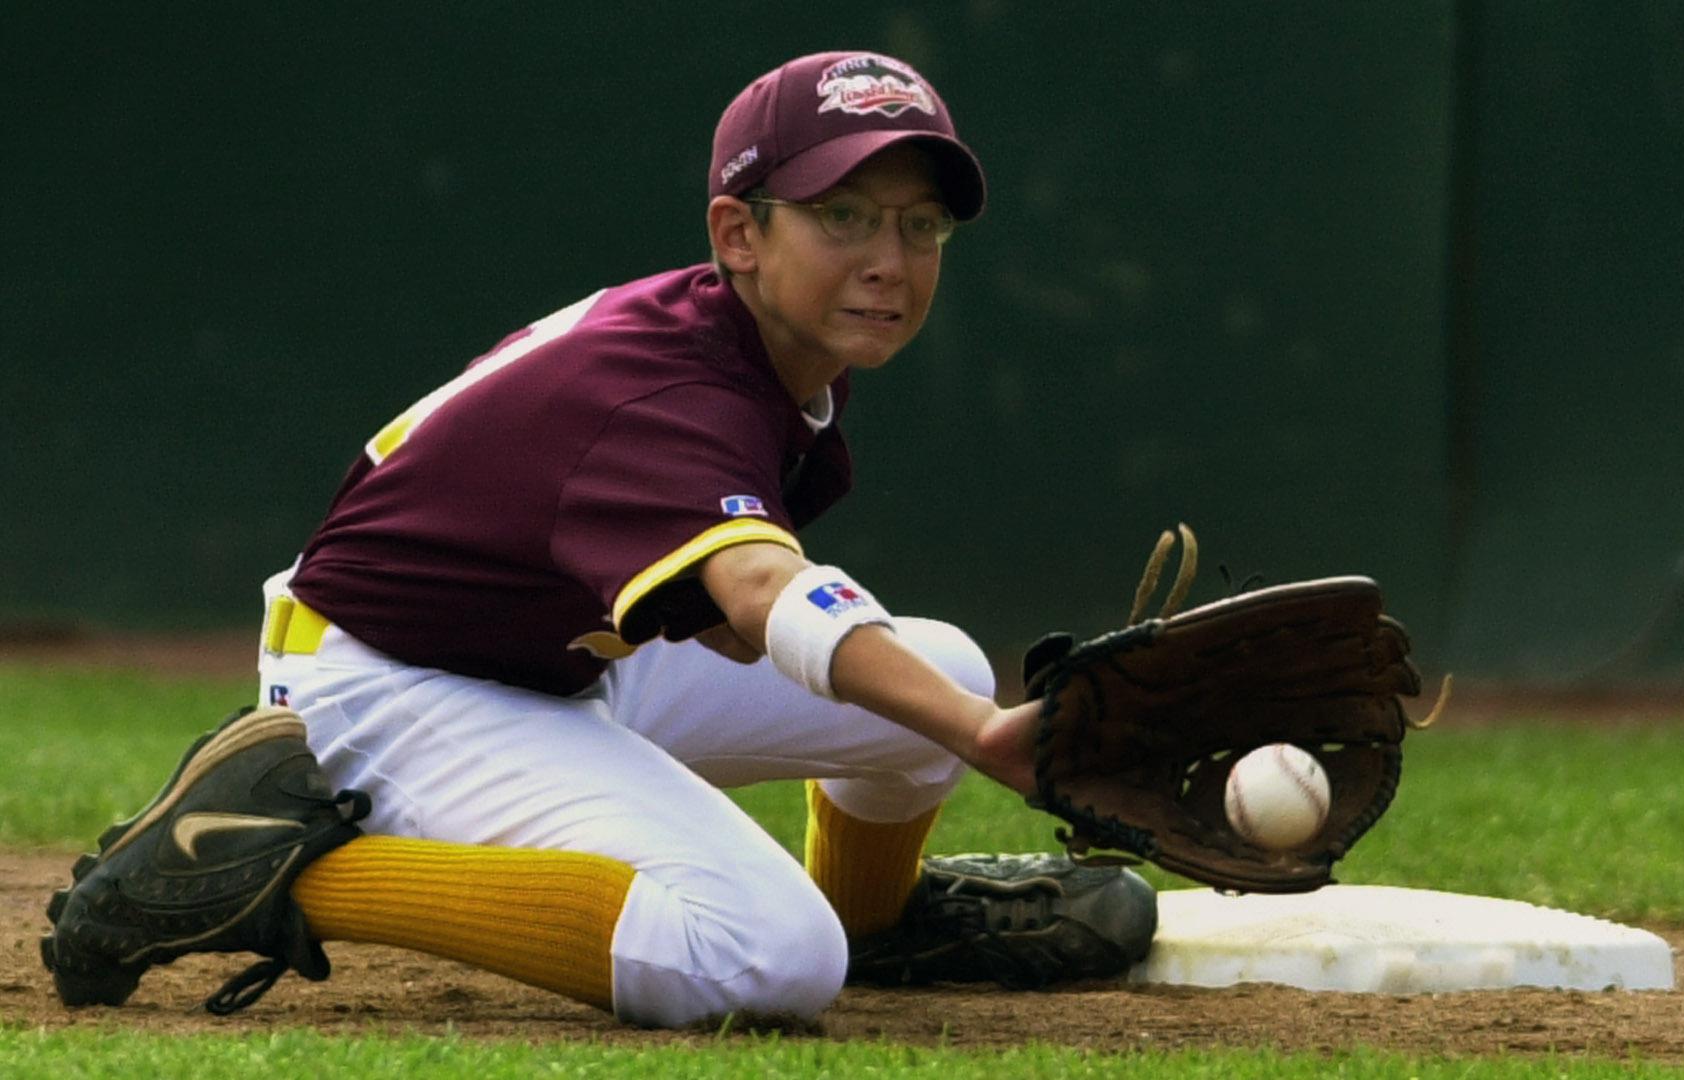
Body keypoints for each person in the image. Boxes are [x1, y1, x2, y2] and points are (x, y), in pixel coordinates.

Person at [41, 50, 1155, 1027]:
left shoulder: (768, 349)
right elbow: (767, 590)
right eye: (843, 215)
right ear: (739, 233)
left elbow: (712, 596)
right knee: (768, 955)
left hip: (543, 661)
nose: (889, 258)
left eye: (922, 226)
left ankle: (884, 927)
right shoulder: (671, 390)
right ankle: (271, 864)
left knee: (936, 667)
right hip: (391, 693)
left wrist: (943, 702)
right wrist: (985, 735)